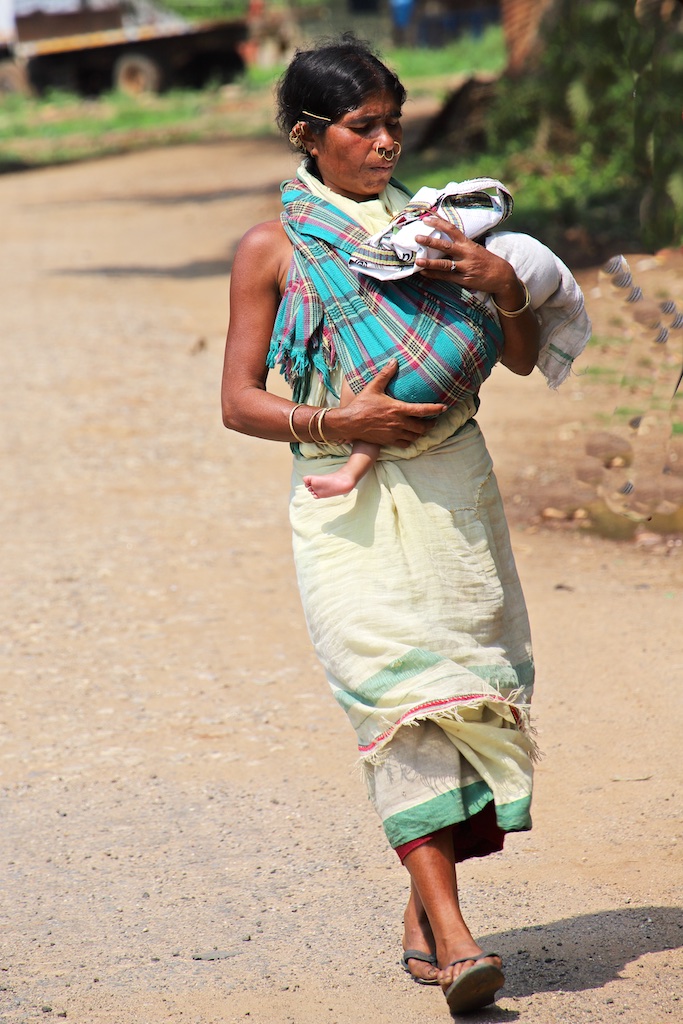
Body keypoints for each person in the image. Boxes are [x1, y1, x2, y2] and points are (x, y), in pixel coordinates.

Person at [221, 34, 546, 1015]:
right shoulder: (270, 249)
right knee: (395, 700)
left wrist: (500, 285)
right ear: (306, 135)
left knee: (467, 695)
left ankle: (423, 915)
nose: (386, 143)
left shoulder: (436, 228)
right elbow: (239, 401)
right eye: (363, 127)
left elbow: (519, 355)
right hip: (344, 505)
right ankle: (456, 939)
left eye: (393, 123)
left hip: (452, 487)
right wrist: (337, 421)